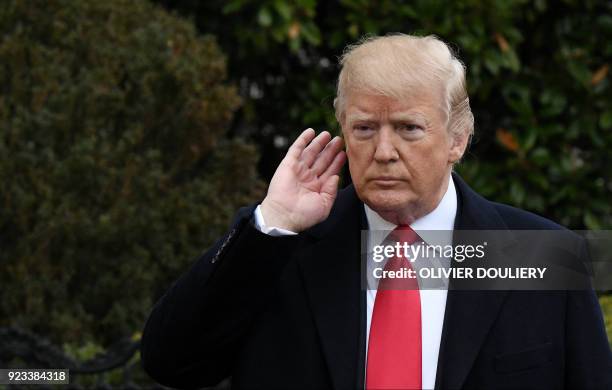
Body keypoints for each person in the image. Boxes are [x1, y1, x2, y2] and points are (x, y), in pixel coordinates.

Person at [140, 34, 612, 389]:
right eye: (364, 128)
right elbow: (172, 363)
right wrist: (272, 224)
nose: (383, 150)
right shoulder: (280, 247)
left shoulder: (544, 253)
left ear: (457, 139)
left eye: (408, 127)